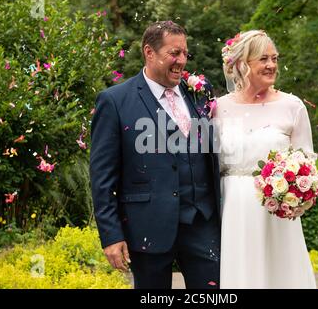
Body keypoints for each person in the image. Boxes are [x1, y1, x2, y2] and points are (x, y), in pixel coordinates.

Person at [90, 21, 221, 289]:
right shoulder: (115, 101)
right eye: (174, 53)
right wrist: (111, 235)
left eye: (185, 53)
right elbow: (102, 176)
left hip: (202, 222)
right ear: (149, 52)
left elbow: (210, 153)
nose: (182, 61)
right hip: (147, 226)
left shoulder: (199, 93)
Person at [215, 30, 317, 288]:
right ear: (242, 64)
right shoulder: (218, 108)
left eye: (275, 58)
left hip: (276, 213)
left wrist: (298, 196)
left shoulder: (293, 106)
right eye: (263, 59)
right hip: (233, 209)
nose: (271, 65)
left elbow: (308, 164)